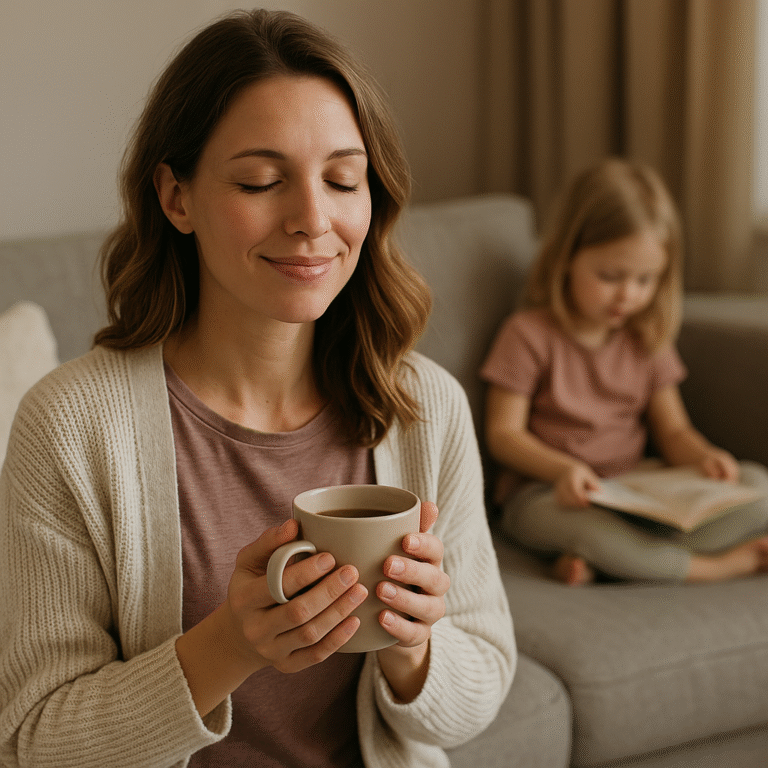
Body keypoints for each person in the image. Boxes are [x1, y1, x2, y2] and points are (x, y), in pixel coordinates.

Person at [0, 9, 515, 768]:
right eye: (261, 181)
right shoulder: (71, 426)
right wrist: (229, 647)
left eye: (344, 179)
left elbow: (480, 690)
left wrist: (413, 647)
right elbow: (36, 737)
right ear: (177, 197)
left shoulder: (422, 408)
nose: (313, 219)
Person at [480, 157, 768, 586]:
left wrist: (704, 457)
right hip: (546, 493)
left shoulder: (646, 337)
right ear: (566, 258)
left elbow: (673, 433)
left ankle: (613, 561)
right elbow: (503, 435)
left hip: (633, 491)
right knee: (586, 530)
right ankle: (703, 567)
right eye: (610, 275)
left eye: (645, 280)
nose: (628, 295)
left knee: (757, 485)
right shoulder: (528, 333)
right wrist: (562, 471)